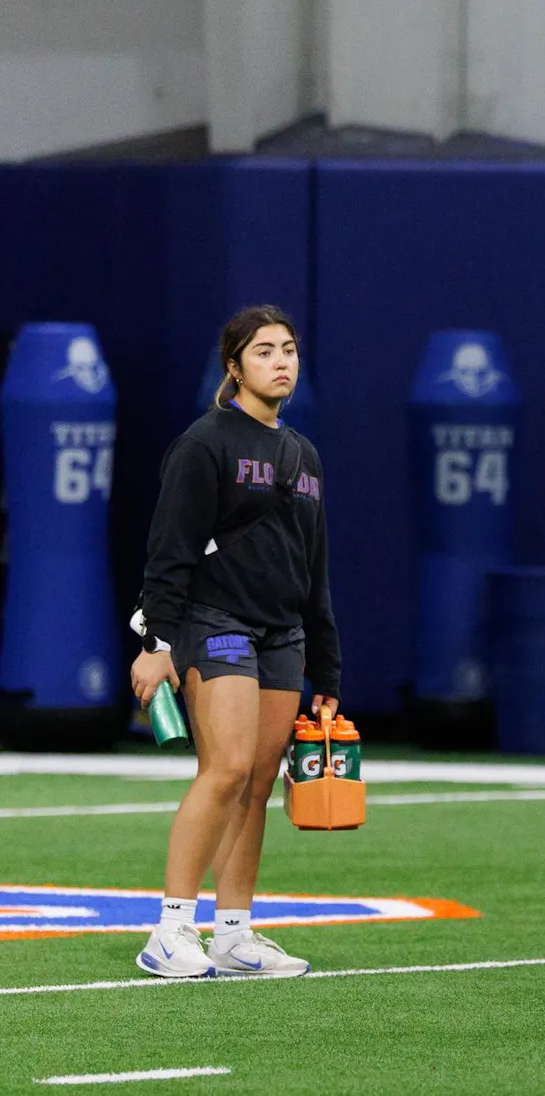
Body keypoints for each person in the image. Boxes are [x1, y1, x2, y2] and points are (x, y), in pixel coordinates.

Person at [130, 304, 341, 978]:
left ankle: (234, 933)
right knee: (223, 770)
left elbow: (316, 573)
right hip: (215, 623)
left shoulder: (304, 454)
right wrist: (157, 642)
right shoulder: (206, 443)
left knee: (255, 782)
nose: (282, 361)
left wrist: (328, 675)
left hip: (283, 634)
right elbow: (170, 551)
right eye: (264, 352)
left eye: (289, 350)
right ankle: (169, 930)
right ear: (234, 366)